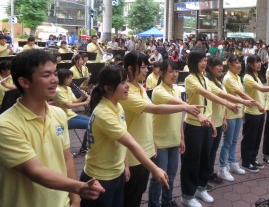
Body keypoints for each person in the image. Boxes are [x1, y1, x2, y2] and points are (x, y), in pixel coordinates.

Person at [0, 50, 104, 207]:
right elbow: (35, 171)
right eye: (46, 75)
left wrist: (75, 199)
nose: (55, 80)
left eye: (55, 74)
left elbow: (67, 157)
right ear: (24, 82)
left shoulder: (58, 114)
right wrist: (79, 187)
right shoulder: (6, 125)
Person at [80, 64, 169, 207]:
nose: (127, 85)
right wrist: (155, 169)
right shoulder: (104, 113)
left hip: (115, 173)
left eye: (126, 81)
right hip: (100, 178)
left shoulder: (117, 105)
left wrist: (125, 165)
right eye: (122, 83)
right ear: (108, 88)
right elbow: (131, 143)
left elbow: (120, 140)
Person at [121, 51, 201, 207]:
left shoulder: (140, 88)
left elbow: (151, 120)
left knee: (147, 186)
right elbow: (155, 110)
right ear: (131, 69)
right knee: (133, 193)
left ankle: (166, 201)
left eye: (146, 67)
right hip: (134, 153)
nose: (146, 71)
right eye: (142, 67)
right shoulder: (128, 91)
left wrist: (178, 137)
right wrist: (187, 107)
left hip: (148, 148)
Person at [181, 50, 242, 207]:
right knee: (192, 161)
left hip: (207, 124)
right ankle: (187, 196)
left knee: (205, 159)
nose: (203, 63)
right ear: (193, 63)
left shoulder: (204, 78)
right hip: (194, 126)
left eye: (204, 60)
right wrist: (228, 104)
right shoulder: (190, 79)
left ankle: (201, 188)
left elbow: (219, 92)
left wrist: (245, 102)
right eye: (200, 61)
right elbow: (207, 94)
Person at [218, 54, 262, 179]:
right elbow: (241, 94)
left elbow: (240, 95)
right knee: (227, 142)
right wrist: (256, 103)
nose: (239, 65)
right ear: (229, 64)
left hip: (237, 113)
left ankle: (232, 163)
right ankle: (222, 167)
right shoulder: (228, 78)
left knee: (234, 141)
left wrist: (242, 111)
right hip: (229, 113)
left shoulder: (237, 77)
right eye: (236, 63)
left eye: (240, 63)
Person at [241, 54, 269, 173]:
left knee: (257, 138)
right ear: (249, 64)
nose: (259, 64)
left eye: (260, 62)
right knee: (249, 138)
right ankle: (245, 162)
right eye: (256, 62)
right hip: (252, 112)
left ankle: (253, 159)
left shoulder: (256, 76)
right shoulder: (247, 77)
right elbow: (262, 89)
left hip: (260, 112)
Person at [53, 69, 91, 153]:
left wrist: (82, 96)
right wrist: (85, 102)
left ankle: (86, 146)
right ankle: (85, 148)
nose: (71, 80)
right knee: (91, 124)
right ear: (63, 79)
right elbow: (69, 106)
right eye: (69, 78)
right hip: (64, 119)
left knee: (93, 121)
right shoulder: (58, 91)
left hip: (71, 115)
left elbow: (74, 102)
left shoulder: (68, 88)